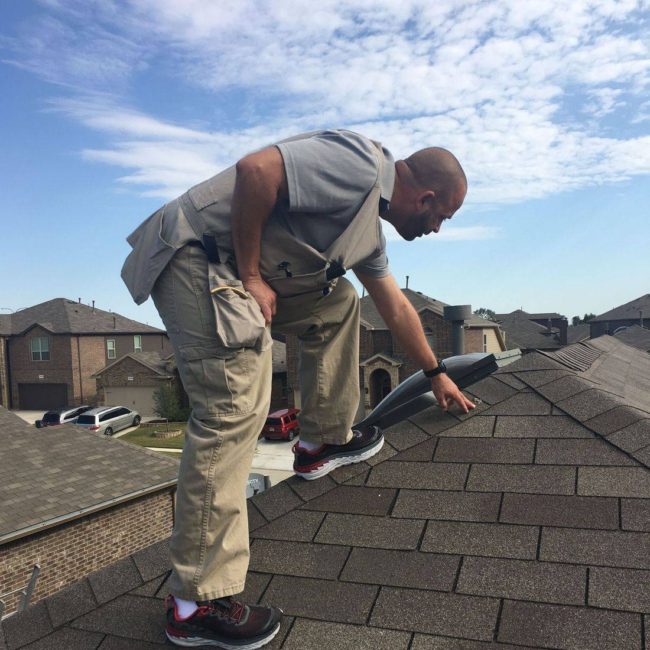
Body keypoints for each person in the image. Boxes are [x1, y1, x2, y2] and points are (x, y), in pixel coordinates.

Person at [121, 129, 475, 649]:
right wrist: (250, 274)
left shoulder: (367, 235)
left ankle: (320, 442)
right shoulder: (358, 164)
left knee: (339, 302)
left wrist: (435, 372)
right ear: (425, 198)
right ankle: (195, 604)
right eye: (441, 216)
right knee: (233, 408)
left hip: (237, 267)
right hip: (200, 258)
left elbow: (395, 307)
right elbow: (255, 171)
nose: (438, 228)